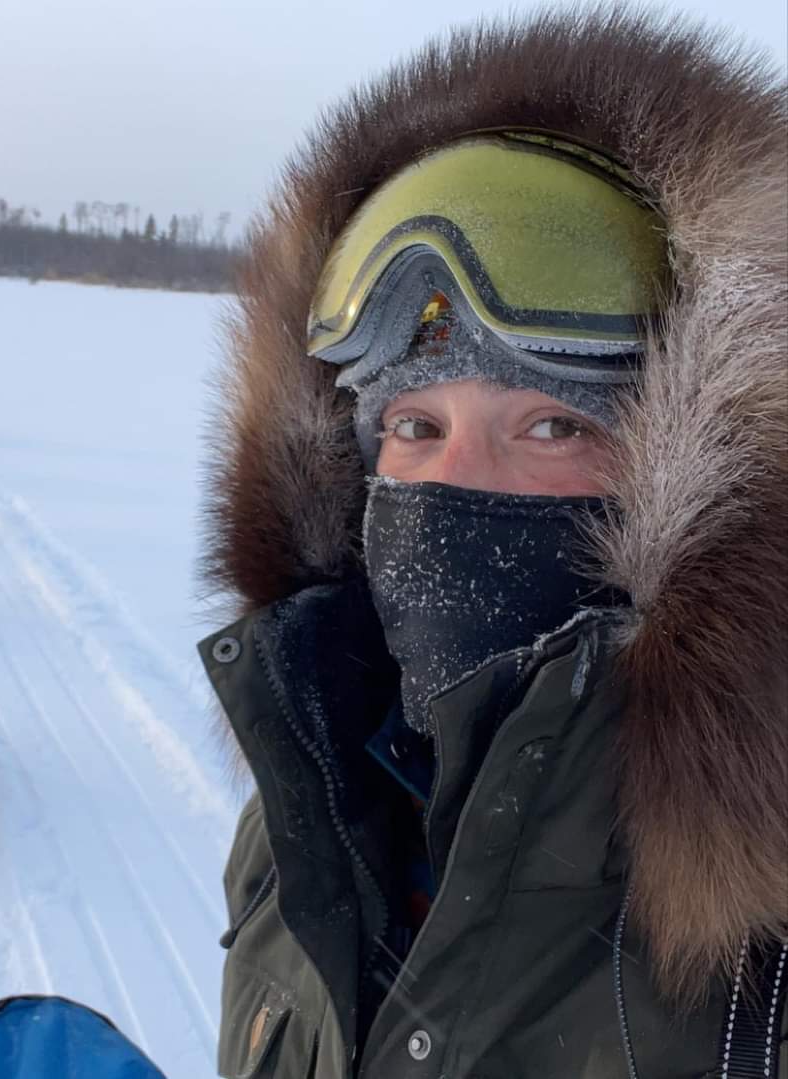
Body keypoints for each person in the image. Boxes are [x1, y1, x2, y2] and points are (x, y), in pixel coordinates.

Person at [198, 9, 786, 1078]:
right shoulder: (305, 819)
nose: (453, 489)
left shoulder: (761, 939)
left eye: (555, 424)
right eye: (415, 428)